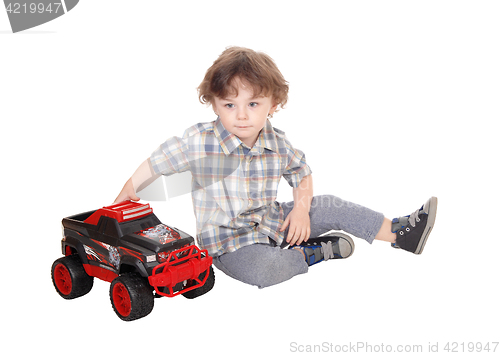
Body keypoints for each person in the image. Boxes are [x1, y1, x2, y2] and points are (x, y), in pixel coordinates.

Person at [114, 46, 438, 288]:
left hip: (273, 221)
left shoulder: (277, 142)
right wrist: (125, 195)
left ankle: (399, 233)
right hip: (230, 245)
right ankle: (311, 254)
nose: (241, 115)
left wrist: (299, 211)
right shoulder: (199, 142)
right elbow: (155, 164)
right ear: (214, 103)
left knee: (328, 204)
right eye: (230, 105)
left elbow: (303, 174)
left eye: (252, 104)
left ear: (274, 104)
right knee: (265, 272)